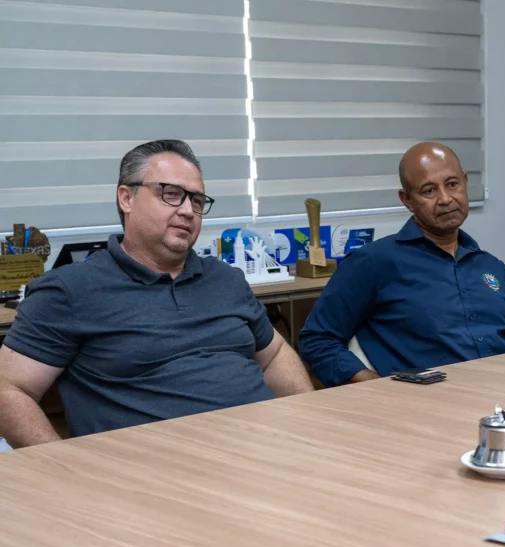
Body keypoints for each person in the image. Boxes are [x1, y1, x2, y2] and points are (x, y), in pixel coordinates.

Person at [0, 140, 312, 447]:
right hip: (157, 475)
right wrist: (62, 467)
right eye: (172, 194)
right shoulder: (69, 290)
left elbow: (274, 356)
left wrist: (310, 421)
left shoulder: (226, 280)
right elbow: (9, 389)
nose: (188, 210)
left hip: (264, 449)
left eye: (198, 201)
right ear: (127, 198)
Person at [299, 142, 505, 385]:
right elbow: (317, 340)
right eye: (429, 191)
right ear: (407, 200)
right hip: (428, 407)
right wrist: (372, 386)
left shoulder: (492, 267)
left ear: (465, 183)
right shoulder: (374, 263)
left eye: (452, 184)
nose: (446, 199)